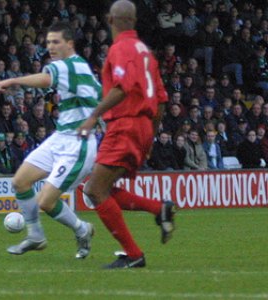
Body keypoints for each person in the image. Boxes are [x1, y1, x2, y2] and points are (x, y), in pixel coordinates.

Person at [77, 0, 175, 269]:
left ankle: (133, 254)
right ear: (134, 20)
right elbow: (163, 100)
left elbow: (121, 87)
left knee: (94, 190)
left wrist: (94, 115)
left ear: (110, 20)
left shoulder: (121, 48)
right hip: (143, 125)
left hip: (125, 123)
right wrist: (150, 137)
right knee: (102, 188)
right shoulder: (146, 52)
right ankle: (159, 209)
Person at [0, 21, 100, 259]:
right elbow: (101, 96)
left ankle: (82, 230)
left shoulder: (69, 65)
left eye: (56, 42)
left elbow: (44, 79)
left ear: (69, 44)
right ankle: (36, 235)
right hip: (60, 137)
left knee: (46, 201)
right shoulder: (81, 69)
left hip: (78, 144)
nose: (50, 46)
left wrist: (11, 81)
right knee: (20, 182)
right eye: (48, 42)